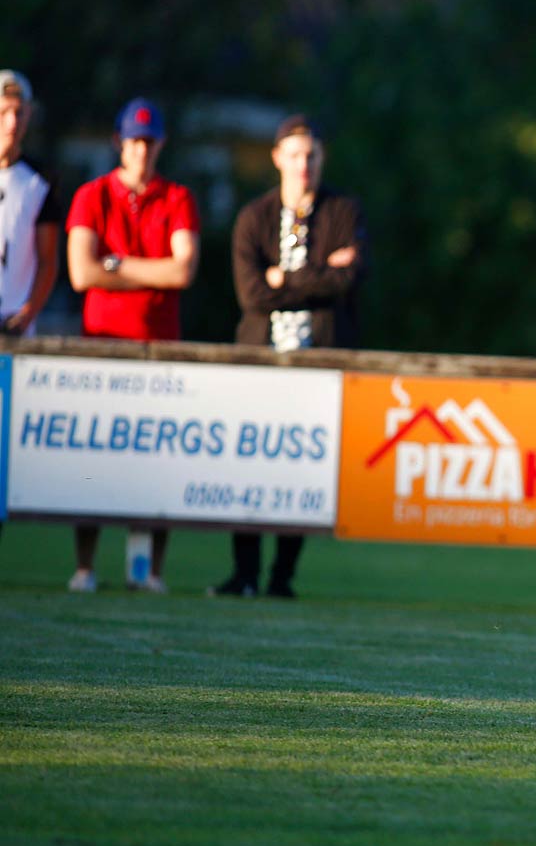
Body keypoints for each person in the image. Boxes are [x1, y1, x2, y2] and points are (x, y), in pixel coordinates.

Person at [212, 115, 366, 600]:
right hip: (261, 361)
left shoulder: (343, 211)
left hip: (318, 362)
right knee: (249, 466)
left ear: (322, 160)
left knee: (304, 471)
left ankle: (282, 577)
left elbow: (348, 280)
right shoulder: (254, 218)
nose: (304, 164)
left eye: (312, 155)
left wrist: (286, 277)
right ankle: (245, 574)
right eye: (295, 154)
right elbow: (251, 295)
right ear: (278, 157)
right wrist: (316, 275)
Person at [64, 98, 199, 594]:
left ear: (160, 143)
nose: (141, 149)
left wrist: (117, 265)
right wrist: (149, 269)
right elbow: (81, 272)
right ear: (120, 142)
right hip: (102, 347)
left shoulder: (177, 196)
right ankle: (85, 566)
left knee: (157, 460)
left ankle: (148, 571)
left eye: (149, 140)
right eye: (133, 140)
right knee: (95, 463)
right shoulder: (92, 194)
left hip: (160, 350)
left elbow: (182, 269)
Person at [1, 70, 62, 338]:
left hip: (14, 328)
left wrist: (27, 313)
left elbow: (48, 259)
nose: (12, 123)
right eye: (3, 112)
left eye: (20, 112)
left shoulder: (41, 181)